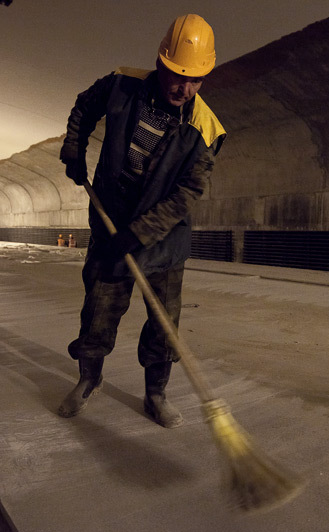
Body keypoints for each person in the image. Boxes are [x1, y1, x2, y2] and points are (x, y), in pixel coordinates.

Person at [56, 14, 226, 428]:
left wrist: (140, 233)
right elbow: (85, 106)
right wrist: (74, 148)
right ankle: (89, 380)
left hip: (163, 244)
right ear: (161, 62)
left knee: (163, 325)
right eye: (176, 75)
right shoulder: (122, 84)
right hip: (111, 225)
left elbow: (186, 194)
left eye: (195, 80)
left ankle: (156, 394)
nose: (183, 88)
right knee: (98, 311)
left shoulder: (206, 130)